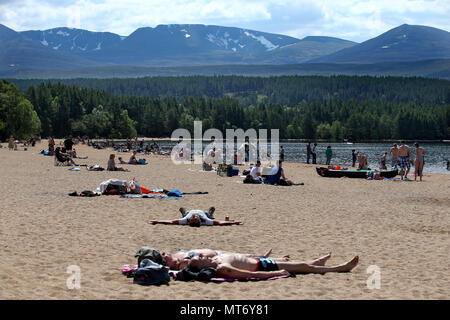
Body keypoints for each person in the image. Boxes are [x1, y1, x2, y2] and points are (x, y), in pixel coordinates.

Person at [187, 252, 359, 279]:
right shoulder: (222, 267)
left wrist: (263, 255)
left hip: (262, 261)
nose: (202, 255)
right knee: (304, 267)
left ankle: (317, 263)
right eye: (199, 258)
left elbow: (242, 257)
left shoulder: (217, 258)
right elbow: (248, 274)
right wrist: (274, 274)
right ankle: (340, 268)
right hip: (265, 268)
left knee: (302, 264)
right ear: (201, 265)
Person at [161, 248, 276, 271]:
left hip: (216, 253)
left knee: (244, 255)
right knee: (243, 257)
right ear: (168, 263)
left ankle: (265, 257)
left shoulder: (176, 255)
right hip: (215, 257)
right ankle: (265, 258)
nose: (164, 253)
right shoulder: (180, 263)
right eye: (164, 257)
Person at [148, 207, 243, 227]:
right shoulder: (205, 220)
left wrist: (156, 221)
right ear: (198, 220)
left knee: (185, 213)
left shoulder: (186, 220)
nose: (194, 217)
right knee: (209, 215)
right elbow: (220, 223)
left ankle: (183, 211)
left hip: (188, 212)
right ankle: (211, 212)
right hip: (204, 212)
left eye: (193, 218)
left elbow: (170, 222)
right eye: (195, 218)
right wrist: (234, 222)